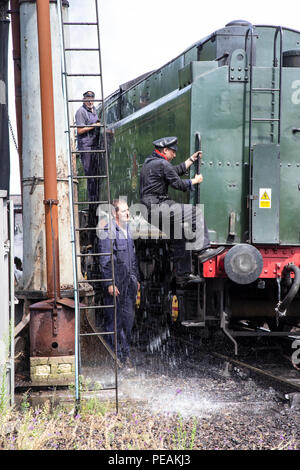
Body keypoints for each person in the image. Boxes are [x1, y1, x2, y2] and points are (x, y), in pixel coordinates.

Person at [139, 136, 224, 283]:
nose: (175, 155)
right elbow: (178, 184)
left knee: (179, 236)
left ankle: (183, 274)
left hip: (149, 211)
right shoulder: (162, 164)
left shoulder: (151, 162)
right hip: (158, 206)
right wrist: (194, 181)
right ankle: (203, 250)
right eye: (173, 152)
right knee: (195, 212)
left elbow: (174, 171)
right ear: (165, 150)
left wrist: (191, 160)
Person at [98, 199, 140, 365]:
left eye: (128, 210)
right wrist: (109, 282)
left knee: (127, 321)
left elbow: (133, 257)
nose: (128, 213)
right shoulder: (108, 231)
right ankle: (116, 358)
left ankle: (124, 354)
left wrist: (136, 278)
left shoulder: (128, 229)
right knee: (115, 322)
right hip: (116, 282)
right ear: (115, 214)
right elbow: (105, 258)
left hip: (129, 282)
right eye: (124, 211)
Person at [75, 91, 102, 246]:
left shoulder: (95, 110)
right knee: (90, 173)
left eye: (92, 99)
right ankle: (92, 195)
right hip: (86, 147)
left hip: (94, 145)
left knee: (95, 174)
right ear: (84, 99)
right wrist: (94, 126)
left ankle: (95, 191)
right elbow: (79, 130)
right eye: (88, 99)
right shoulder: (81, 112)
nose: (90, 101)